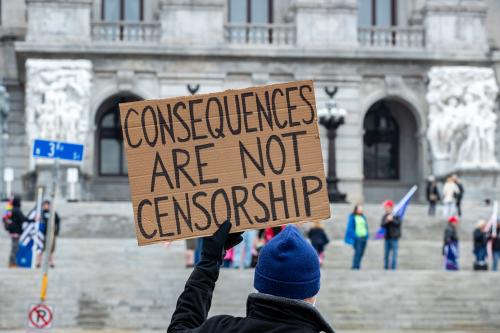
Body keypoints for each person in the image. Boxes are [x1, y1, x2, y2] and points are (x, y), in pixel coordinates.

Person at [167, 222, 334, 333]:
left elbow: (179, 329)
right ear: (313, 292)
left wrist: (209, 261)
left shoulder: (221, 329)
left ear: (259, 283)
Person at [3, 196, 33, 268]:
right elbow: (23, 219)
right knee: (15, 248)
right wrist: (33, 220)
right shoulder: (17, 210)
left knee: (14, 247)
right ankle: (12, 263)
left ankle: (12, 262)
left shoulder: (11, 210)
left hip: (12, 231)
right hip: (16, 231)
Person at [36, 200, 60, 268]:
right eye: (45, 205)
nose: (46, 206)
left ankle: (51, 263)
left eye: (47, 205)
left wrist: (56, 231)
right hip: (42, 234)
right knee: (40, 248)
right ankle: (38, 262)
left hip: (51, 233)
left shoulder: (53, 213)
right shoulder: (41, 213)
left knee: (51, 249)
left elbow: (57, 222)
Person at [345, 204, 369, 270]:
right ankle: (355, 266)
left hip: (364, 237)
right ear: (356, 209)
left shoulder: (363, 217)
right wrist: (355, 236)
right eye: (359, 208)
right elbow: (350, 228)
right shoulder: (353, 217)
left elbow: (365, 226)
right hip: (357, 238)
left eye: (361, 209)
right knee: (357, 252)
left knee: (362, 252)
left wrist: (367, 235)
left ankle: (358, 265)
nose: (361, 210)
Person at [380, 200, 401, 270]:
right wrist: (387, 220)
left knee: (394, 254)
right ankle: (386, 267)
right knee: (386, 254)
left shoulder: (396, 215)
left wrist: (392, 220)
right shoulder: (385, 216)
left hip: (394, 238)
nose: (386, 208)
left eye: (388, 207)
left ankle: (393, 268)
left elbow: (398, 223)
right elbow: (382, 225)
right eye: (386, 207)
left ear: (391, 207)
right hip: (387, 237)